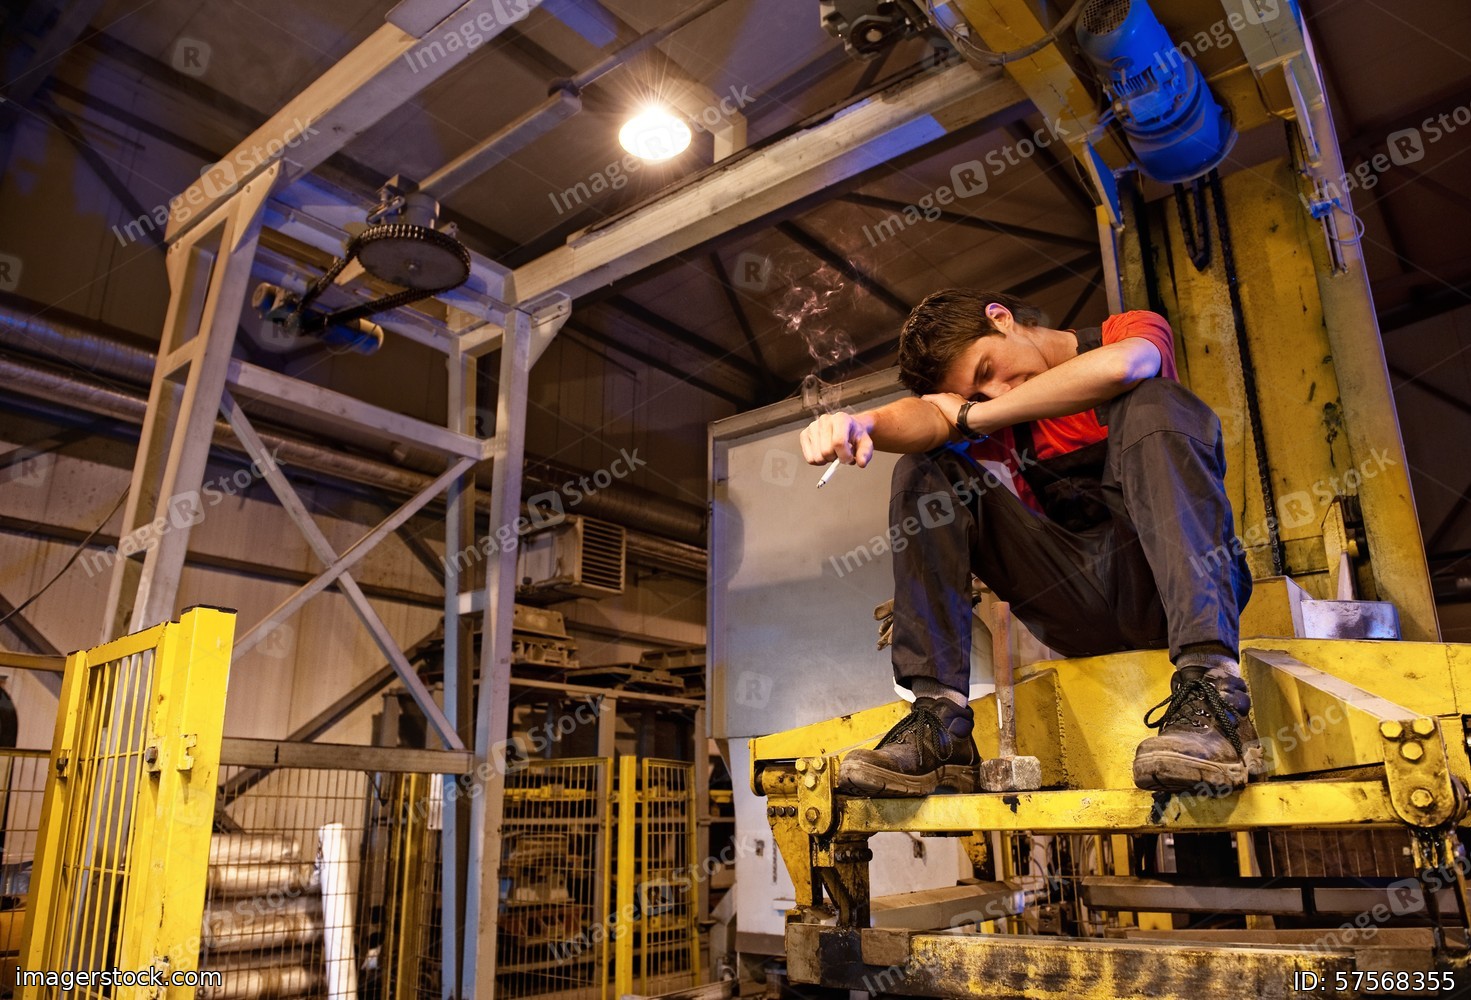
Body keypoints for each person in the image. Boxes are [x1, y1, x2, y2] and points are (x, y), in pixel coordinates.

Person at [798, 289, 1261, 796]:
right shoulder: (992, 409)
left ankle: (1214, 694)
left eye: (986, 370)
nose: (996, 393)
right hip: (1079, 608)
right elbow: (925, 417)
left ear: (1001, 319)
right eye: (977, 394)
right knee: (924, 472)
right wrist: (861, 423)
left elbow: (1125, 366)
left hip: (1167, 594)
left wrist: (973, 416)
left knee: (1154, 401)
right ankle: (940, 724)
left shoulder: (1125, 332)